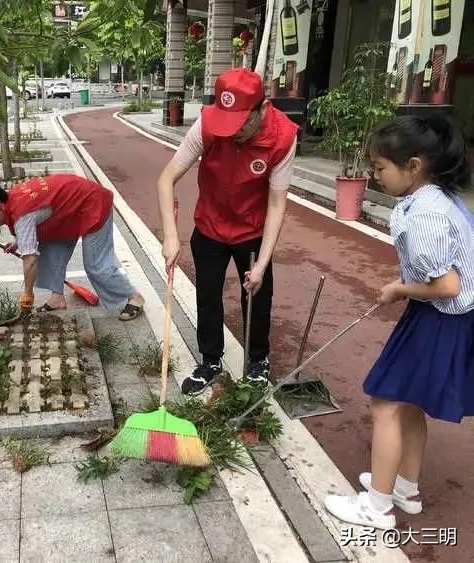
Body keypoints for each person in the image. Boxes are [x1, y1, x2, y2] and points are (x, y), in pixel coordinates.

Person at [324, 115, 474, 529]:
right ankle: (406, 489)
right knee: (408, 403)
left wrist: (399, 289)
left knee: (385, 402)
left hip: (440, 316)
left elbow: (446, 286)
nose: (375, 178)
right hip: (447, 318)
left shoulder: (426, 213)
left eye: (379, 169)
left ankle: (376, 508)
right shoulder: (438, 197)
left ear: (413, 165)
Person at [157, 68, 298, 394]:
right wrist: (169, 235)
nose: (233, 132)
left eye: (241, 124)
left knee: (258, 296)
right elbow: (166, 179)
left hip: (252, 229)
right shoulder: (207, 124)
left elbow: (276, 205)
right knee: (207, 296)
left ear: (262, 109)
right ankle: (210, 360)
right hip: (210, 224)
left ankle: (258, 360)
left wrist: (261, 264)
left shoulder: (283, 138)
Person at [0, 174, 145, 320]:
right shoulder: (13, 197)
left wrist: (27, 294)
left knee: (95, 265)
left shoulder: (22, 213)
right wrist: (18, 242)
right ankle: (57, 298)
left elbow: (29, 260)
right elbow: (35, 220)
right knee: (50, 250)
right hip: (69, 210)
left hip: (93, 203)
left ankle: (134, 296)